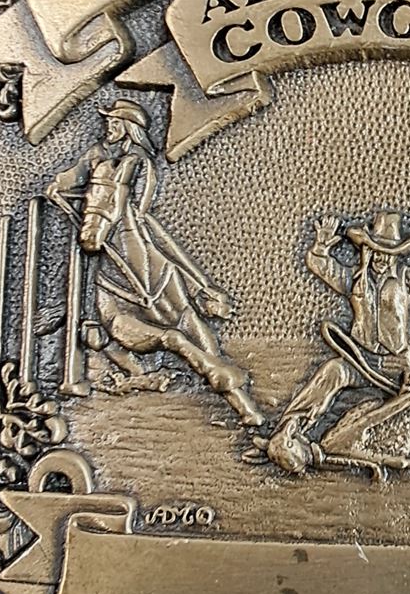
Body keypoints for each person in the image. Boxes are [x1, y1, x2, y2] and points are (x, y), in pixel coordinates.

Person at [48, 99, 263, 426]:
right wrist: (60, 185)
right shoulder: (96, 155)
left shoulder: (139, 162)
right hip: (101, 232)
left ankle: (246, 409)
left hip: (129, 227)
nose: (109, 127)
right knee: (85, 287)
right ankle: (86, 330)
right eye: (108, 122)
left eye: (115, 122)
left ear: (128, 127)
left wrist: (200, 284)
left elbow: (143, 214)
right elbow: (70, 177)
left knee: (195, 327)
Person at [263, 210, 410, 476]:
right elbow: (321, 266)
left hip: (398, 362)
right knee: (332, 371)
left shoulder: (405, 278)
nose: (380, 257)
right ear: (366, 250)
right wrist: (321, 245)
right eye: (374, 250)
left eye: (388, 252)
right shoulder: (355, 278)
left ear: (397, 255)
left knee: (406, 404)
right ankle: (288, 433)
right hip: (360, 358)